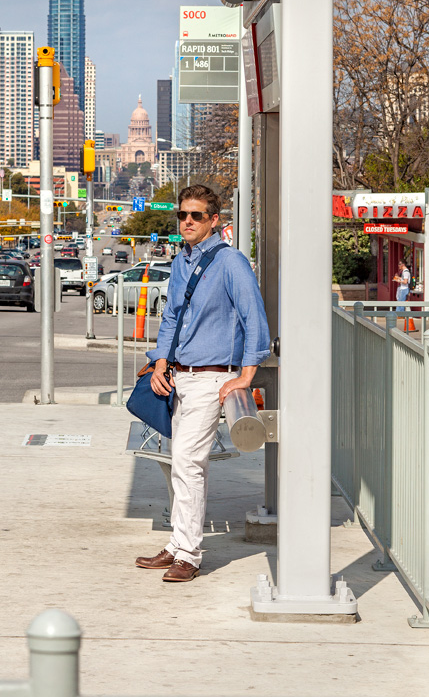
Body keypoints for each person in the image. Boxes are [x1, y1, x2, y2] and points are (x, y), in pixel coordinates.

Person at [135, 184, 270, 583]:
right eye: (182, 215)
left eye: (196, 215)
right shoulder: (181, 262)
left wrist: (244, 377)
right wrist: (160, 362)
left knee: (188, 463)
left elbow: (255, 320)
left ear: (215, 220)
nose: (187, 222)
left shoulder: (231, 263)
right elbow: (172, 318)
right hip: (181, 377)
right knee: (185, 463)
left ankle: (188, 554)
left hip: (214, 377)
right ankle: (178, 544)